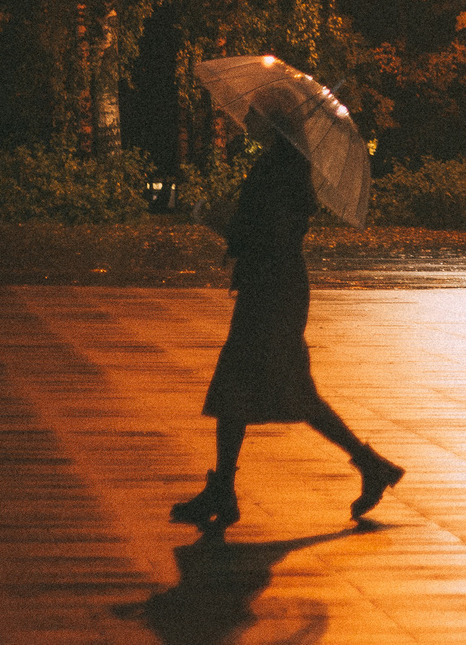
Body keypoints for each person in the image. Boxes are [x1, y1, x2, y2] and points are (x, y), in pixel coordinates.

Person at [171, 128, 404, 530]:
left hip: (273, 288)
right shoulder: (283, 163)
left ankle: (370, 465)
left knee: (267, 387)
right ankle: (226, 486)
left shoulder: (283, 166)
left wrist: (223, 224)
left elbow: (270, 233)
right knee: (245, 386)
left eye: (257, 112)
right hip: (271, 284)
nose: (248, 118)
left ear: (275, 121)